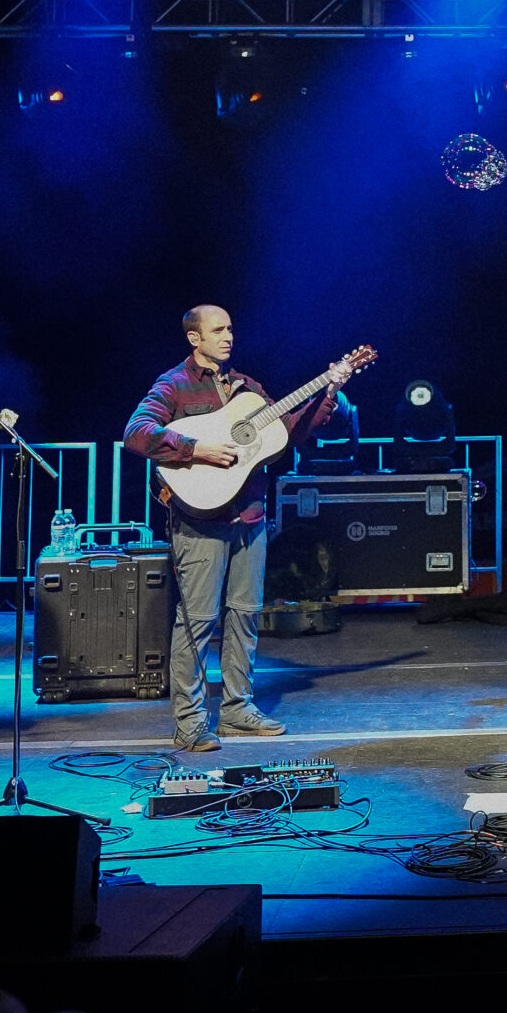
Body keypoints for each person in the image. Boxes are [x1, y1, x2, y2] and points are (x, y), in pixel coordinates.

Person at [123, 304, 341, 752]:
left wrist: (327, 394)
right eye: (217, 330)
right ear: (194, 338)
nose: (228, 336)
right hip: (201, 520)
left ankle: (238, 710)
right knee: (198, 620)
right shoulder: (174, 385)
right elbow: (137, 433)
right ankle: (190, 721)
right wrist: (195, 447)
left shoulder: (248, 388)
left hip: (251, 515)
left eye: (230, 329)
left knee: (244, 614)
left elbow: (286, 436)